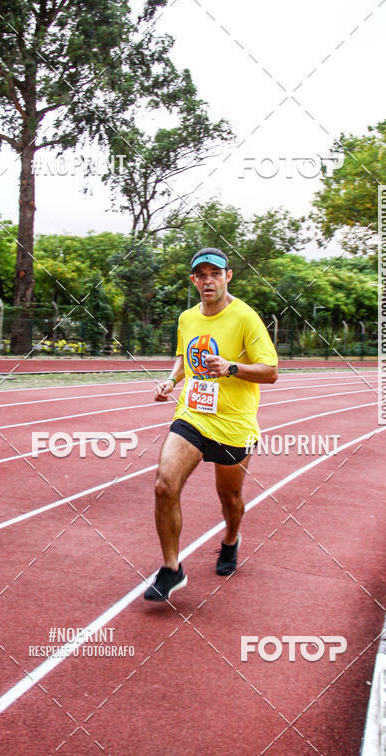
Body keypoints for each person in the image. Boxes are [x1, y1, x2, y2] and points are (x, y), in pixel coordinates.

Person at [143, 247, 279, 601]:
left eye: (214, 274)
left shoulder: (246, 318)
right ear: (193, 280)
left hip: (234, 425)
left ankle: (231, 539)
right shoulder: (187, 318)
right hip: (192, 414)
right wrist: (171, 381)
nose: (208, 281)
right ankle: (171, 570)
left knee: (230, 498)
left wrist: (232, 367)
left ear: (227, 277)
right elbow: (183, 356)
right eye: (201, 275)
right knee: (163, 485)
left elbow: (272, 371)